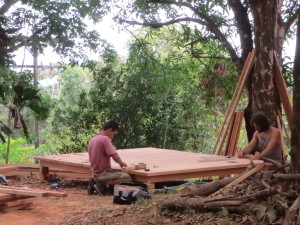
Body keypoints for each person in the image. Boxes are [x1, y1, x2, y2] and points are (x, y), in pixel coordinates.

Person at [87, 120, 132, 195]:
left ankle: (97, 182)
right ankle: (101, 185)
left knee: (116, 173)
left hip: (94, 173)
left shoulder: (93, 139)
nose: (113, 136)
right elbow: (114, 155)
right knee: (127, 177)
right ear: (110, 130)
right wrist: (121, 163)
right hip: (101, 174)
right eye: (114, 134)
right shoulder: (105, 139)